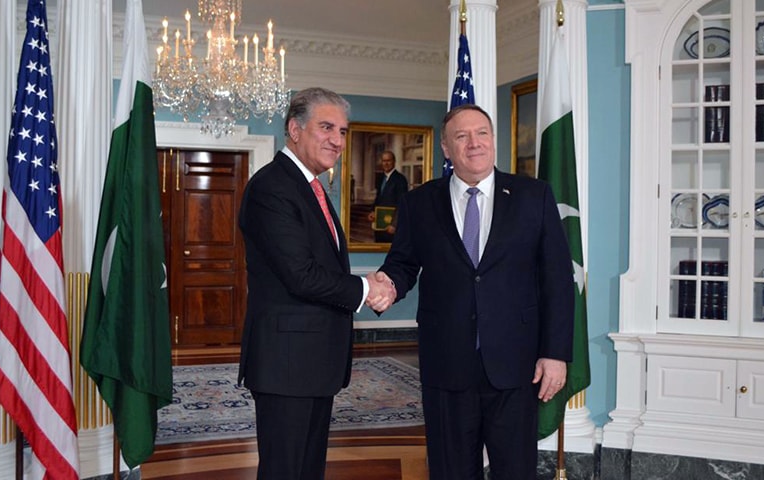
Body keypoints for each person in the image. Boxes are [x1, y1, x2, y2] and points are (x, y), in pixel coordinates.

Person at [377, 104, 574, 480]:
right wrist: (387, 285)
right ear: (446, 150)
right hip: (447, 362)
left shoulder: (534, 196)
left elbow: (557, 279)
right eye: (462, 136)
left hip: (517, 365)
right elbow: (402, 263)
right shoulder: (419, 202)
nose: (474, 143)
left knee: (515, 472)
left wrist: (555, 353)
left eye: (482, 133)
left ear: (493, 140)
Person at [237, 87, 395, 480]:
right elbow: (300, 274)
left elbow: (321, 265)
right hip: (286, 365)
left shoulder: (312, 187)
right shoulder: (272, 187)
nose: (338, 141)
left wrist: (368, 281)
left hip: (312, 362)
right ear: (294, 128)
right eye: (326, 128)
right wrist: (365, 288)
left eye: (342, 131)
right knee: (285, 471)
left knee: (308, 470)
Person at [367, 150, 408, 242]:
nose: (386, 163)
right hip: (379, 224)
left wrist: (394, 224)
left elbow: (401, 204)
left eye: (388, 161)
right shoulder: (380, 178)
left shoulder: (400, 179)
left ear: (394, 161)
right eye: (384, 161)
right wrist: (372, 211)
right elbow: (378, 198)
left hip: (391, 227)